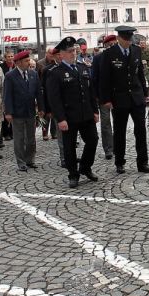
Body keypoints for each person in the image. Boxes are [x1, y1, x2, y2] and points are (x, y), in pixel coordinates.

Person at [100, 25, 149, 174]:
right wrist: (107, 99)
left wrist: (144, 93)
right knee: (119, 131)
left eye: (129, 39)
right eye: (125, 39)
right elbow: (105, 79)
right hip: (119, 98)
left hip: (136, 97)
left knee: (141, 131)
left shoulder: (136, 50)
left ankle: (143, 162)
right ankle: (120, 162)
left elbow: (140, 74)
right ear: (118, 38)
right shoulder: (110, 53)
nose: (128, 42)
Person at [47, 37, 99, 188]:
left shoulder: (83, 68)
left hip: (86, 114)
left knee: (93, 140)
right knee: (69, 147)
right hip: (69, 117)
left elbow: (90, 92)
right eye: (69, 51)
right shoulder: (55, 73)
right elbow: (54, 99)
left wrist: (95, 111)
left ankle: (85, 167)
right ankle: (73, 174)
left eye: (74, 51)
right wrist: (61, 118)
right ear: (61, 55)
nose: (73, 53)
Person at [3, 50, 44, 172]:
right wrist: (8, 112)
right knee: (19, 139)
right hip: (17, 113)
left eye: (28, 60)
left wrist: (41, 108)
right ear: (19, 62)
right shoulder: (10, 76)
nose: (29, 62)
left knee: (31, 138)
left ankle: (30, 160)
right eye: (26, 61)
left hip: (31, 111)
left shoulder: (33, 74)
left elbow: (38, 93)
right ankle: (21, 162)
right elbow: (7, 95)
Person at [92, 34, 117, 160]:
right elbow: (94, 78)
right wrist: (96, 95)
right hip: (103, 96)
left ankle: (117, 147)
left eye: (114, 43)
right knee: (106, 123)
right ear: (106, 45)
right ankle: (108, 148)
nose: (113, 46)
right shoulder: (98, 58)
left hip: (118, 96)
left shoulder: (119, 56)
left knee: (118, 122)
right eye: (110, 44)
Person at [42, 47, 65, 167]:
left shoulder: (69, 66)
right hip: (57, 107)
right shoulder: (48, 70)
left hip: (70, 107)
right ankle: (64, 158)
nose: (61, 57)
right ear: (55, 56)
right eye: (59, 55)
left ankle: (69, 154)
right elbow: (46, 92)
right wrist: (48, 109)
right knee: (61, 134)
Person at [37, 47, 57, 141]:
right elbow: (37, 77)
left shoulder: (56, 63)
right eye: (50, 53)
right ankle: (45, 133)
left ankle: (54, 133)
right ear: (46, 53)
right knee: (45, 113)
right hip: (43, 89)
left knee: (54, 112)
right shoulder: (40, 63)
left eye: (53, 53)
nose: (52, 55)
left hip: (53, 89)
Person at [1, 50, 15, 142]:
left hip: (14, 92)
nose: (10, 58)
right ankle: (5, 134)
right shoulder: (1, 67)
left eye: (11, 56)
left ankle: (12, 132)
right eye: (8, 56)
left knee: (14, 113)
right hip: (5, 91)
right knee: (6, 113)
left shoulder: (15, 66)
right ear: (5, 58)